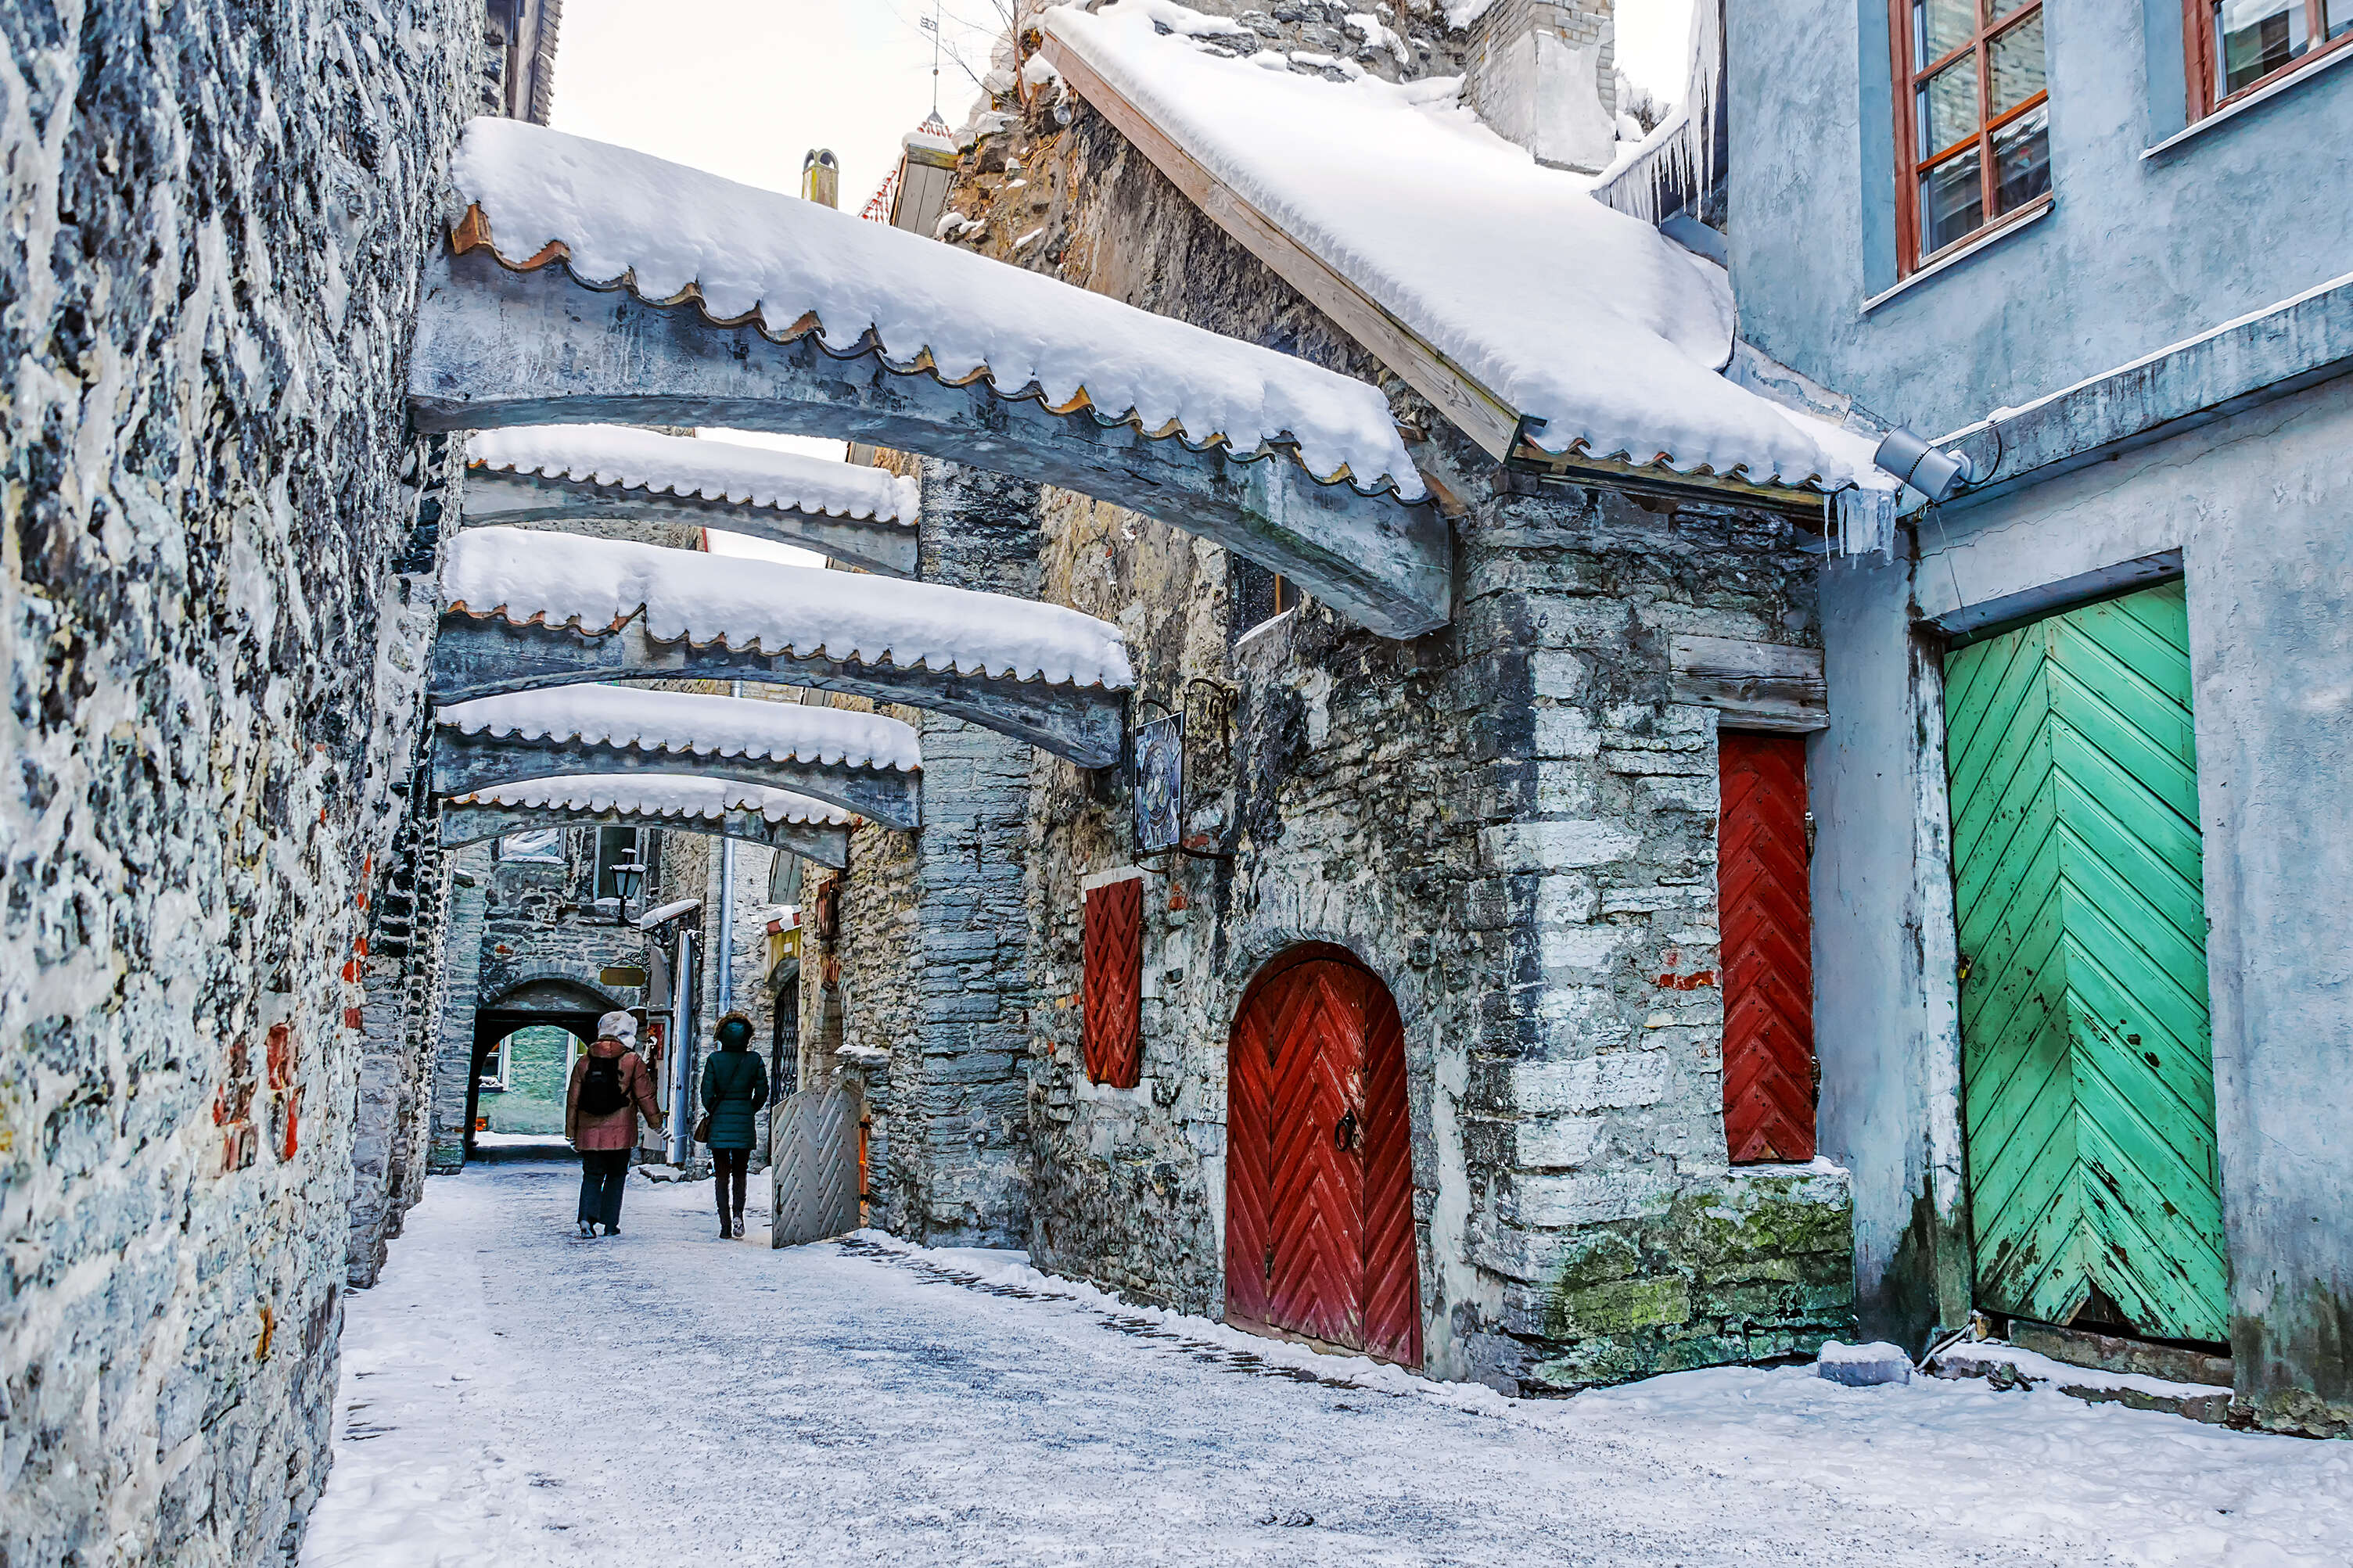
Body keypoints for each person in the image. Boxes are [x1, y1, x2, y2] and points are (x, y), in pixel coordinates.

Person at [566, 1010, 663, 1239]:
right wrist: (656, 1124)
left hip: (589, 1133)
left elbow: (573, 1100)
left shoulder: (584, 1061)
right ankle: (610, 1223)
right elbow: (645, 1096)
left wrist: (571, 1133)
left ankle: (585, 1219)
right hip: (621, 1132)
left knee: (591, 1175)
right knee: (616, 1176)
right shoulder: (632, 1061)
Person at [699, 1011, 769, 1239]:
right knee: (740, 1172)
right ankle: (739, 1213)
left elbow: (706, 1093)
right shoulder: (754, 1059)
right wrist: (749, 1109)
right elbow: (762, 1092)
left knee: (721, 1174)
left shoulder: (714, 1060)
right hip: (743, 1121)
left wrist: (715, 1110)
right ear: (747, 1036)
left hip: (720, 1121)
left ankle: (725, 1224)